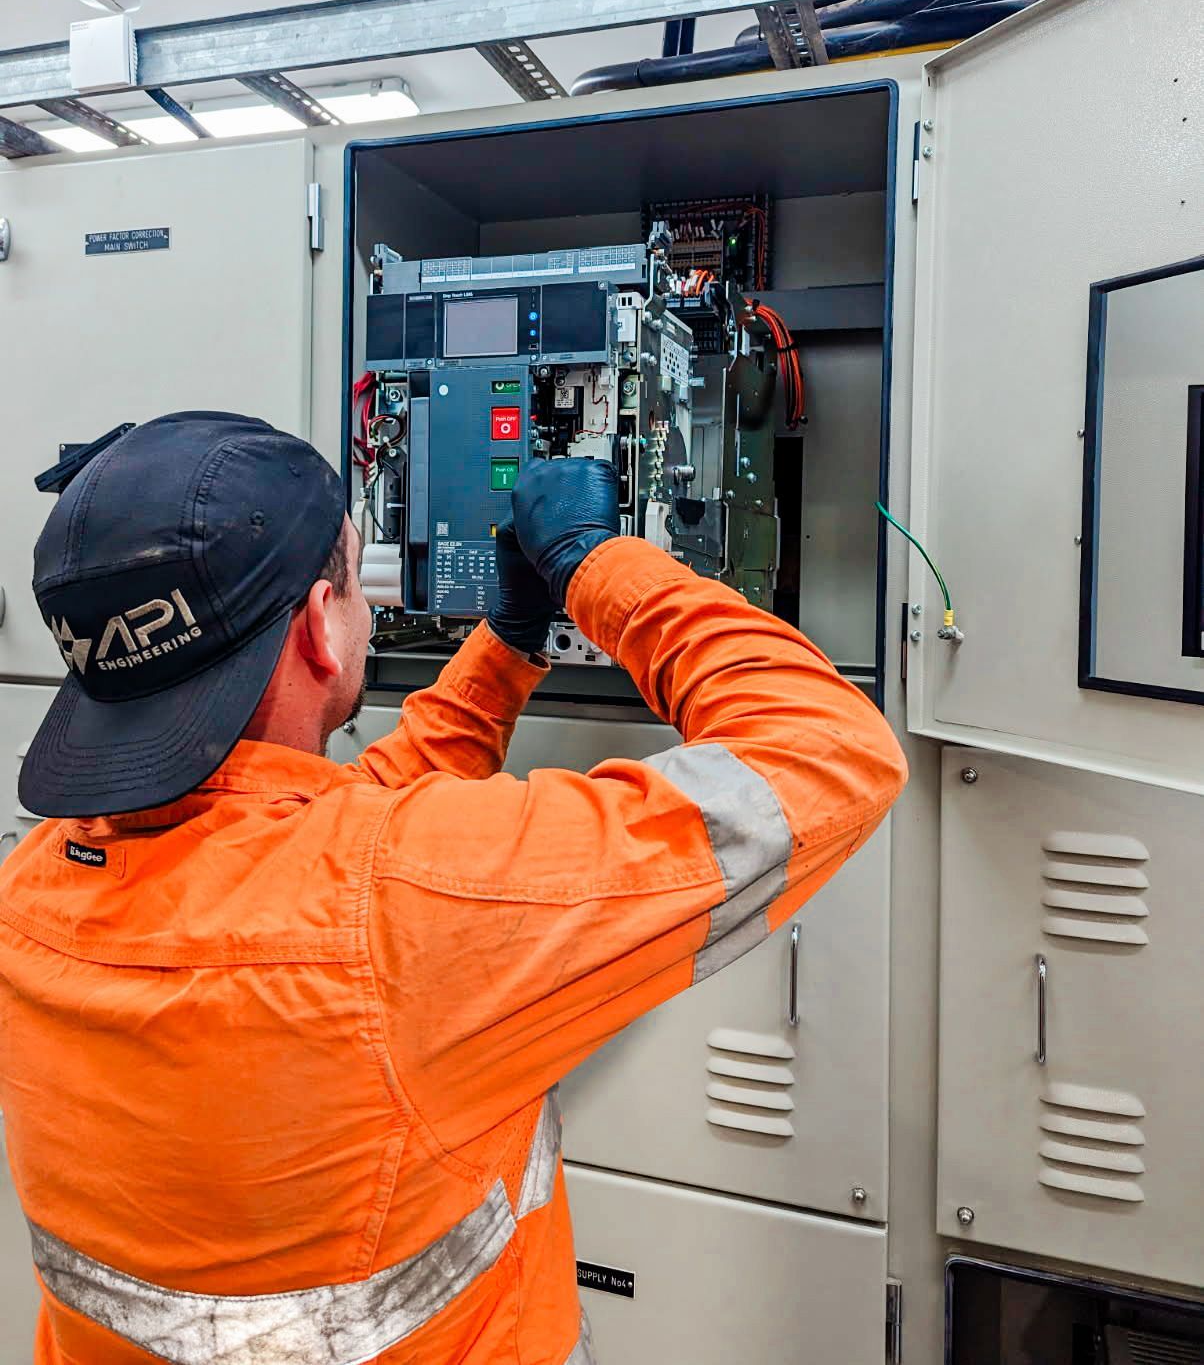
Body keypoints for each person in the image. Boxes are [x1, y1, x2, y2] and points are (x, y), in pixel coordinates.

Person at [0, 410, 907, 1365]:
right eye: (354, 585)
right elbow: (827, 751)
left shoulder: (30, 890)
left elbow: (316, 840)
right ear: (318, 626)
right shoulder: (404, 913)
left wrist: (506, 645)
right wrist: (597, 566)